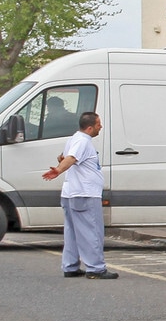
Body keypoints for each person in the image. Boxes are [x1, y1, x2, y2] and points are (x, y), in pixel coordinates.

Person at [42, 110, 115, 280]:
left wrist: (61, 162)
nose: (101, 127)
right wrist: (58, 170)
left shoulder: (73, 139)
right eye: (98, 124)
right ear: (90, 127)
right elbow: (72, 158)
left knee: (73, 231)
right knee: (91, 231)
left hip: (71, 193)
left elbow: (64, 156)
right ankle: (95, 268)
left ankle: (70, 266)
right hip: (85, 193)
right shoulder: (83, 141)